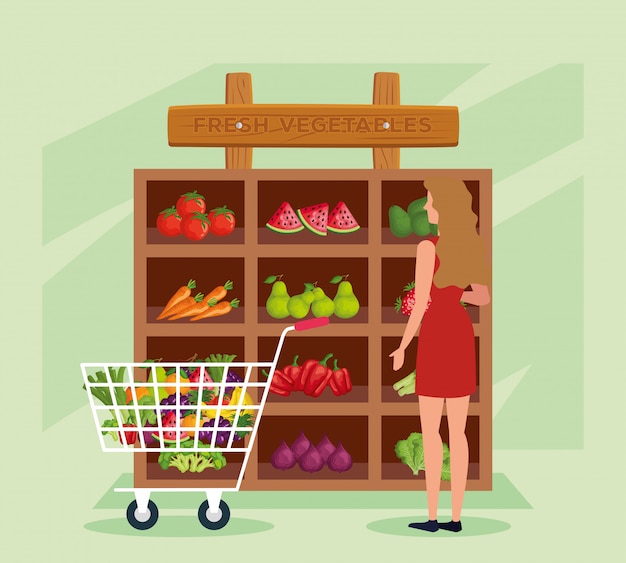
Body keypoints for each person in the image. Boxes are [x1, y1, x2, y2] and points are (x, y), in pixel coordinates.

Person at [389, 177, 490, 533]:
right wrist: (456, 295)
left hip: (434, 335)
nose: (427, 208)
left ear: (444, 208)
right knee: (458, 433)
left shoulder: (427, 248)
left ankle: (432, 517)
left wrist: (403, 346)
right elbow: (483, 298)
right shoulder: (470, 247)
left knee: (430, 432)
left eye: (431, 203)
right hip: (460, 335)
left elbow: (418, 306)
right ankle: (456, 519)